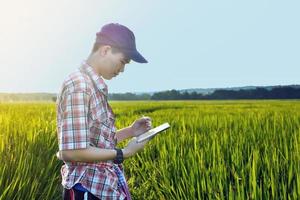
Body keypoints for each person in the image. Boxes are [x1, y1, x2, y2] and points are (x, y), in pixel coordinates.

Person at [55, 23, 152, 200]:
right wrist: (124, 153)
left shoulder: (93, 86)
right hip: (86, 190)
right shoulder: (80, 85)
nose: (122, 69)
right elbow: (72, 151)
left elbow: (96, 142)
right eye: (123, 61)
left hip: (101, 188)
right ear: (106, 50)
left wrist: (131, 131)